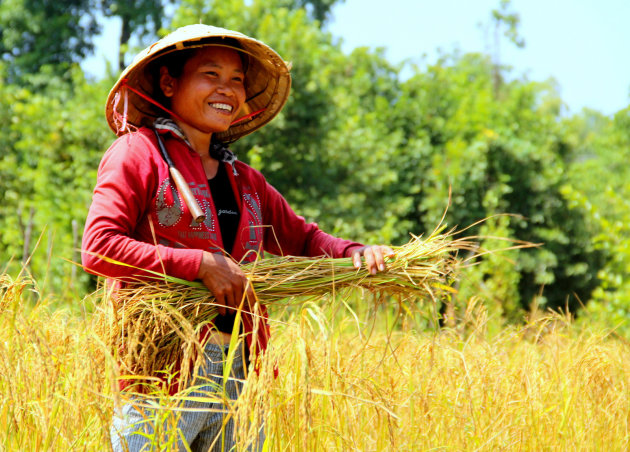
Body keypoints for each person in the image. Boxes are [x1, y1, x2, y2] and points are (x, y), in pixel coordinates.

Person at [82, 24, 393, 451]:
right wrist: (201, 264)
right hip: (164, 372)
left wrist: (358, 253)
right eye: (210, 74)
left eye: (237, 80)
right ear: (170, 82)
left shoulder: (245, 180)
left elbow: (303, 238)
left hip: (239, 371)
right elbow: (99, 246)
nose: (226, 89)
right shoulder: (137, 154)